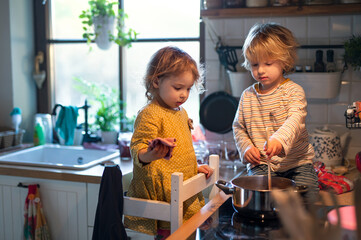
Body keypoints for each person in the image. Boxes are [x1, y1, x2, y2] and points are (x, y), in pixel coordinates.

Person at [124, 46, 214, 239]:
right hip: (163, 194)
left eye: (188, 89)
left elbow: (181, 152)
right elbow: (137, 148)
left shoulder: (181, 112)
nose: (184, 95)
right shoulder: (150, 113)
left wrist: (194, 168)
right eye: (178, 88)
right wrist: (150, 154)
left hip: (182, 189)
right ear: (156, 81)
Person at [233, 22, 319, 203]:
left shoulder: (293, 92)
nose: (260, 70)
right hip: (262, 165)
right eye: (255, 64)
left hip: (298, 164)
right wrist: (246, 147)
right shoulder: (247, 96)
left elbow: (295, 120)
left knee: (307, 199)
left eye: (268, 63)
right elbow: (239, 128)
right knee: (262, 201)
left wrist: (279, 140)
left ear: (284, 61)